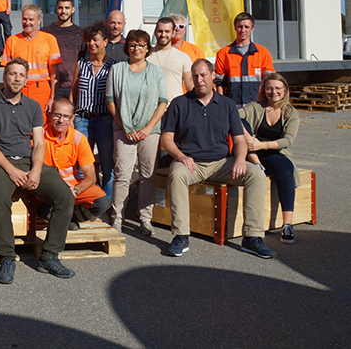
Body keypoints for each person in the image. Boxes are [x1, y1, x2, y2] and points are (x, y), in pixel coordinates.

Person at [161, 59, 277, 259]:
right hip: (191, 163)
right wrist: (181, 156)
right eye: (195, 76)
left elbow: (240, 140)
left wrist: (240, 159)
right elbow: (166, 139)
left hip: (223, 163)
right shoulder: (179, 104)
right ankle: (181, 235)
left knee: (256, 175)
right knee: (176, 174)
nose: (199, 80)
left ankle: (252, 237)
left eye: (203, 75)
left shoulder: (227, 105)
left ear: (213, 76)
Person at [0, 59, 76, 283]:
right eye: (12, 74)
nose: (16, 78)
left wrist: (35, 171)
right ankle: (6, 258)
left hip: (29, 161)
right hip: (0, 163)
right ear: (4, 77)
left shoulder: (33, 106)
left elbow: (40, 144)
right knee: (0, 199)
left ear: (26, 79)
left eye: (21, 75)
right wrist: (11, 170)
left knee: (64, 196)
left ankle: (49, 256)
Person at [105, 29, 168, 235]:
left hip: (150, 131)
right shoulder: (118, 70)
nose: (136, 48)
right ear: (127, 47)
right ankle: (117, 218)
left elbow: (162, 102)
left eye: (141, 45)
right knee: (122, 174)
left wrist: (148, 128)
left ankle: (145, 219)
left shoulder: (156, 72)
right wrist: (125, 126)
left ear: (147, 48)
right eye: (132, 44)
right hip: (123, 130)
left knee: (148, 176)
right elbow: (110, 101)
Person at [239, 73, 302, 243]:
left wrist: (262, 145)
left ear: (284, 90)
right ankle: (257, 164)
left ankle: (287, 225)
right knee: (241, 120)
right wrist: (251, 141)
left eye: (278, 88)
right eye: (269, 88)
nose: (273, 92)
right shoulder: (255, 107)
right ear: (264, 90)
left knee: (285, 169)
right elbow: (234, 116)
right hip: (252, 153)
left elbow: (287, 141)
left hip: (274, 152)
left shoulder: (291, 113)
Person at [42, 99, 112, 228]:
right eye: (57, 115)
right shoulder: (39, 136)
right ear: (50, 116)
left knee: (102, 202)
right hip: (47, 190)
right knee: (41, 207)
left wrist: (75, 190)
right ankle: (62, 219)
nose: (61, 120)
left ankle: (69, 219)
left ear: (72, 118)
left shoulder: (79, 138)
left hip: (72, 188)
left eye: (66, 116)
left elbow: (91, 176)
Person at [70, 21, 116, 196]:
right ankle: (86, 203)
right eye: (89, 40)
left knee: (107, 167)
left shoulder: (114, 66)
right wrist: (71, 117)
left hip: (105, 120)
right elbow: (73, 93)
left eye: (95, 40)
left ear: (105, 41)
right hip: (82, 120)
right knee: (83, 166)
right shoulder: (80, 64)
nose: (92, 44)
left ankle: (105, 206)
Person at [0, 4, 61, 112]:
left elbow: (54, 73)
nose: (27, 23)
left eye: (31, 19)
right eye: (24, 19)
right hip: (17, 88)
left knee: (41, 124)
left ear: (39, 20)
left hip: (41, 90)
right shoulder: (12, 41)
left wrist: (52, 98)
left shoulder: (49, 40)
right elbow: (6, 73)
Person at [216, 12, 276, 106]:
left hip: (257, 105)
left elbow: (270, 80)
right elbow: (218, 82)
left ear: (252, 29)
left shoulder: (262, 52)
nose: (243, 30)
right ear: (235, 28)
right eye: (240, 26)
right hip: (233, 105)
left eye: (246, 27)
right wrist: (221, 103)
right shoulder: (224, 53)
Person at [41, 0, 86, 101]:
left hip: (75, 87)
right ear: (56, 9)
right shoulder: (45, 32)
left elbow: (85, 61)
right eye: (60, 8)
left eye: (67, 8)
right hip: (51, 86)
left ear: (73, 9)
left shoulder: (81, 33)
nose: (63, 11)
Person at [147, 17, 193, 102]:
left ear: (173, 33)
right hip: (150, 110)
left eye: (167, 31)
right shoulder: (146, 56)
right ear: (155, 32)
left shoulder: (183, 57)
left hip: (175, 110)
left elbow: (190, 88)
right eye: (160, 31)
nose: (163, 35)